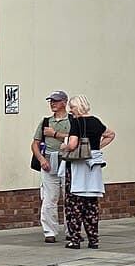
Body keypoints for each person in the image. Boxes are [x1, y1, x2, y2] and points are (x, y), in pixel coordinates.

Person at [60, 95, 117, 249]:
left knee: (74, 205)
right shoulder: (96, 122)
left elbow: (72, 145)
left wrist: (63, 147)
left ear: (77, 107)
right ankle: (93, 239)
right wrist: (97, 147)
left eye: (72, 107)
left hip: (78, 167)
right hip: (94, 167)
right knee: (91, 205)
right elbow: (111, 134)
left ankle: (75, 239)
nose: (70, 111)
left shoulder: (76, 123)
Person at [30, 90, 74, 243]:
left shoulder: (72, 120)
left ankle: (71, 230)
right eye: (51, 101)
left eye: (56, 100)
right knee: (49, 198)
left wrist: (55, 134)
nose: (52, 103)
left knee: (69, 197)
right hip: (49, 161)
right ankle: (49, 231)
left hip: (67, 161)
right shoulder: (45, 121)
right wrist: (41, 159)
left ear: (64, 102)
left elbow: (77, 139)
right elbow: (35, 144)